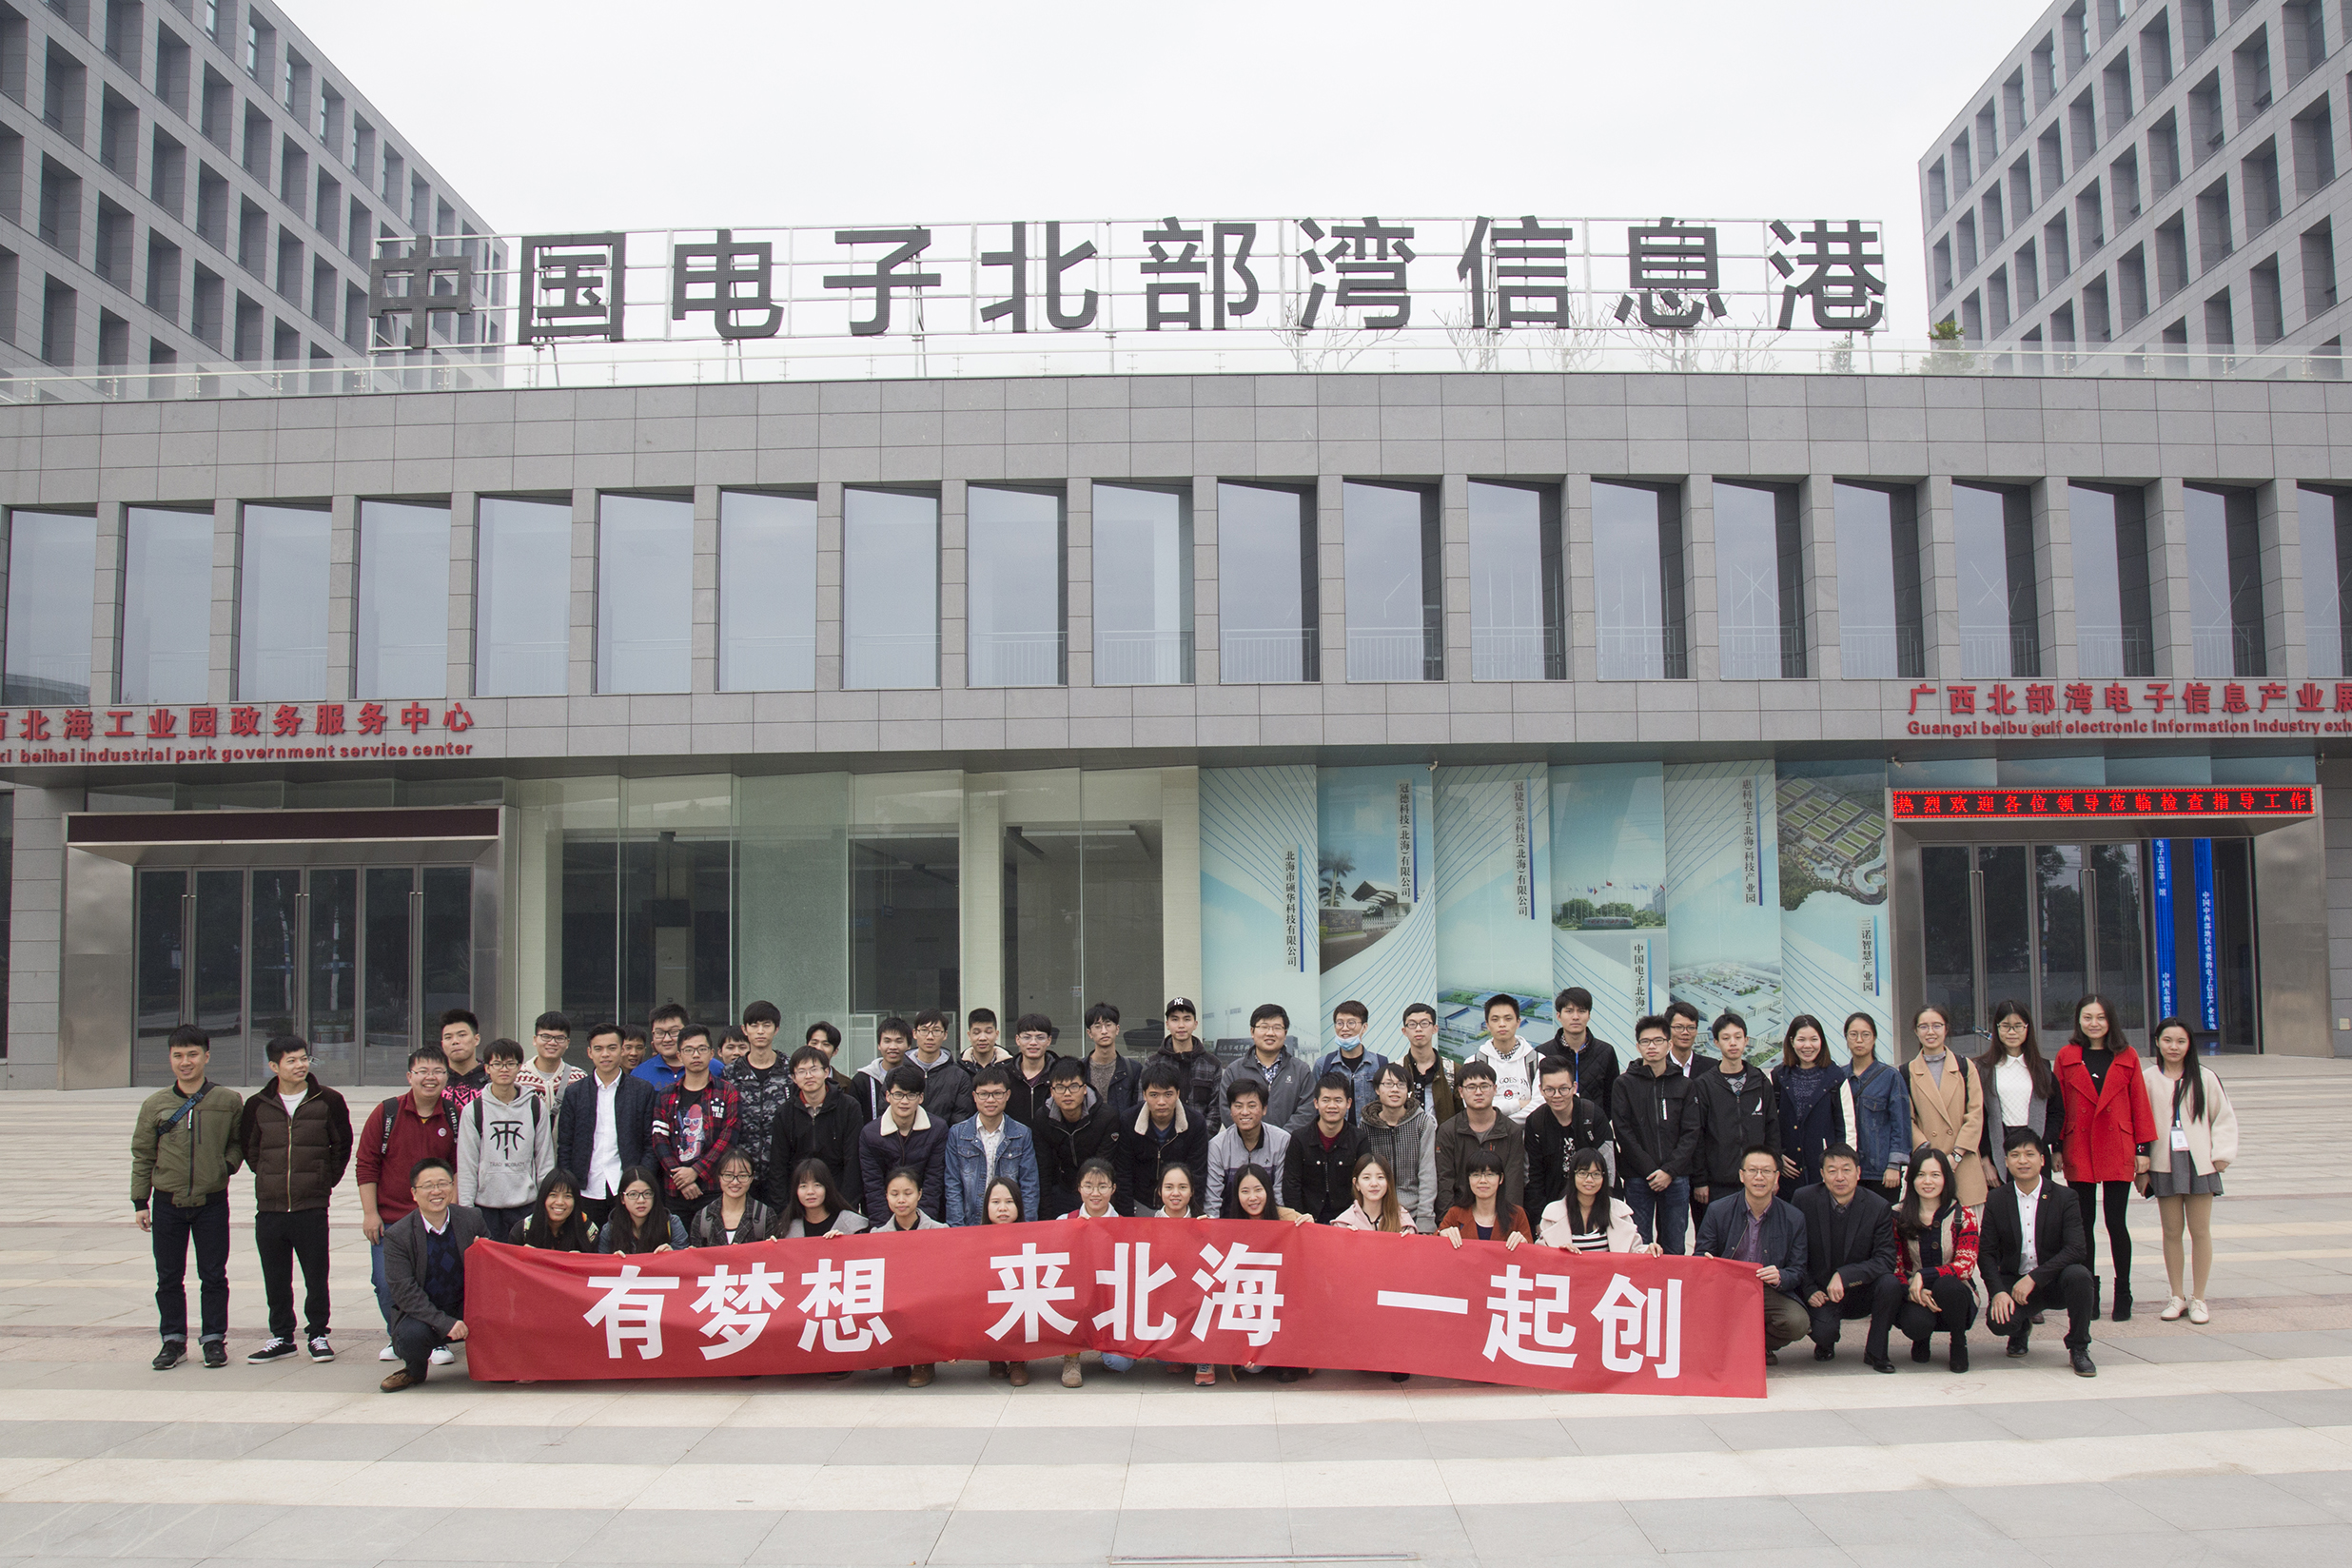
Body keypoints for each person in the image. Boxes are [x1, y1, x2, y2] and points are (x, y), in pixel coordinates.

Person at [132, 1025, 245, 1371]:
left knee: (213, 1275)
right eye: (178, 1055)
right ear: (170, 1058)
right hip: (168, 1203)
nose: (186, 1062)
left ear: (206, 1056)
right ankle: (173, 1340)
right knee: (168, 1277)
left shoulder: (227, 1101)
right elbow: (143, 1154)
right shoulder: (155, 1104)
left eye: (192, 1054)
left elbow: (238, 1142)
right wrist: (140, 1202)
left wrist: (225, 1167)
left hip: (212, 1202)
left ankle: (213, 1339)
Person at [237, 1031, 351, 1364]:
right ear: (274, 1066)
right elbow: (250, 1148)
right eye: (292, 1060)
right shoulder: (257, 1104)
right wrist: (268, 1176)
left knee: (316, 1275)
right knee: (275, 1277)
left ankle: (317, 1334)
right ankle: (282, 1337)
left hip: (311, 1205)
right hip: (270, 1207)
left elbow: (341, 1146)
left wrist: (323, 1181)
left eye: (304, 1058)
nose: (300, 1065)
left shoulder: (328, 1100)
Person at [2052, 992, 2155, 1320]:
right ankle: (2089, 1294)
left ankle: (2123, 1292)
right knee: (2083, 1224)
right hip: (2079, 1144)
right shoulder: (2067, 1056)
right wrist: (2056, 1147)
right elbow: (2057, 1104)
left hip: (2117, 1144)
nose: (2094, 1024)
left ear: (2110, 1021)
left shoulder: (2127, 1055)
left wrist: (2143, 1149)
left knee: (2115, 1222)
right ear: (2078, 1021)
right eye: (2087, 1017)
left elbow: (2140, 1102)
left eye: (2100, 1017)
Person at [355, 1046, 456, 1364]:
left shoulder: (453, 1115)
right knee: (386, 1283)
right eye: (422, 1071)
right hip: (392, 1219)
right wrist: (370, 1213)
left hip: (436, 1218)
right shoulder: (387, 1112)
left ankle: (436, 1340)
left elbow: (459, 1167)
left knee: (438, 1281)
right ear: (409, 1076)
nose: (430, 1078)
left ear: (447, 1076)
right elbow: (366, 1164)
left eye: (437, 1071)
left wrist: (453, 1213)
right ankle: (399, 1335)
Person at [1979, 1128, 2097, 1377]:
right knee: (2000, 1323)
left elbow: (2077, 1248)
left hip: (2055, 1281)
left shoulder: (2065, 1197)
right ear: (2006, 1161)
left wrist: (2034, 1278)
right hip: (2015, 1282)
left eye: (2029, 1154)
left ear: (2042, 1159)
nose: (2023, 1161)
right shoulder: (1997, 1199)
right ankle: (2020, 1329)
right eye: (2015, 1155)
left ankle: (2079, 1347)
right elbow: (1986, 1253)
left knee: (2080, 1276)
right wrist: (1997, 1292)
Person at [2143, 1015, 2238, 1323]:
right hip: (2164, 1163)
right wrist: (2140, 1166)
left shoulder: (2205, 1077)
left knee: (2200, 1231)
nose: (2174, 1047)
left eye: (2181, 1041)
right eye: (2168, 1040)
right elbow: (2139, 1122)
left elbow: (2223, 1117)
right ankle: (2176, 1296)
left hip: (2199, 1162)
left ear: (2189, 1044)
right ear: (2157, 1042)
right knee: (2171, 1231)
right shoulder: (2147, 1079)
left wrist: (2221, 1155)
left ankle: (2199, 1298)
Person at [376, 1157, 490, 1392]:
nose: (437, 1191)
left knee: (501, 1318)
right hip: (424, 1313)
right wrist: (444, 1322)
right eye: (428, 1186)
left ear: (452, 1187)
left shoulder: (471, 1219)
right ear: (414, 1193)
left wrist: (484, 1252)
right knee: (411, 1337)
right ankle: (414, 1370)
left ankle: (494, 1366)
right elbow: (404, 1291)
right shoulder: (398, 1235)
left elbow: (493, 1268)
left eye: (443, 1184)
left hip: (466, 1306)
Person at [1867, 1146, 1983, 1373]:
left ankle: (1958, 1343)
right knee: (1916, 1324)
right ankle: (1921, 1339)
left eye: (1935, 1175)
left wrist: (1924, 1276)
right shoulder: (1897, 1215)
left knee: (1947, 1286)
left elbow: (1966, 1265)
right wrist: (1913, 1288)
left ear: (1946, 1179)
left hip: (1955, 1294)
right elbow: (1894, 1264)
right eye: (1921, 1175)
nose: (1927, 1181)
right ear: (1911, 1179)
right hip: (1912, 1292)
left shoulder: (1963, 1215)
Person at [1694, 1146, 1813, 1363]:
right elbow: (1700, 1256)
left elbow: (1798, 1269)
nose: (1759, 1177)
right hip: (1725, 1286)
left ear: (1776, 1177)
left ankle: (1757, 1347)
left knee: (1797, 1322)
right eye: (1753, 1171)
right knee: (1692, 1313)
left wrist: (1781, 1276)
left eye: (1766, 1171)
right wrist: (1708, 1264)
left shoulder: (1794, 1218)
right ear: (1742, 1175)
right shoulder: (1718, 1210)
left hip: (1766, 1289)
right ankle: (1730, 1346)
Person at [1792, 1142, 1896, 1362]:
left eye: (1846, 1170)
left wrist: (1845, 1275)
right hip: (1821, 1291)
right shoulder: (1804, 1199)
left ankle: (1876, 1352)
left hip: (1860, 1290)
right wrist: (1809, 1289)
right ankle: (1825, 1342)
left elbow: (1886, 1260)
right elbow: (1795, 1252)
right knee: (1823, 1332)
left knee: (1889, 1284)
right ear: (1822, 1174)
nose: (1840, 1177)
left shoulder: (1878, 1206)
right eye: (1832, 1171)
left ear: (1858, 1172)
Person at [1613, 1015, 1699, 1253]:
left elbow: (1691, 1132)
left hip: (1676, 1176)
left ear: (1669, 1044)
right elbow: (1623, 1131)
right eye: (1646, 1041)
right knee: (1639, 1244)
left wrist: (1669, 1171)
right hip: (1638, 1176)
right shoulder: (1624, 1084)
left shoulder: (1684, 1084)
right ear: (1638, 1046)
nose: (1652, 1046)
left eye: (1658, 1041)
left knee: (1674, 1245)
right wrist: (1650, 1170)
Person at [556, 1023, 655, 1228]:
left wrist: (641, 1180)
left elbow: (650, 1143)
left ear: (622, 1050)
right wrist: (569, 1185)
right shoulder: (575, 1093)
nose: (605, 1054)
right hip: (586, 1187)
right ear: (589, 1052)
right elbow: (565, 1144)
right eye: (598, 1049)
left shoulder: (642, 1091)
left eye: (612, 1048)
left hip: (628, 1187)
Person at [456, 1037, 555, 1241]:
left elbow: (544, 1160)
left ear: (519, 1067)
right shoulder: (474, 1110)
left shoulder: (535, 1106)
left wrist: (546, 1204)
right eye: (497, 1064)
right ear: (487, 1068)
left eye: (510, 1064)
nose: (504, 1069)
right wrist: (467, 1212)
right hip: (485, 1208)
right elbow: (467, 1165)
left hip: (526, 1205)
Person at [1688, 1011, 1780, 1219]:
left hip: (1756, 1180)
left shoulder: (1760, 1081)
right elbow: (1697, 1135)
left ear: (1746, 1040)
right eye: (1726, 1038)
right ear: (1716, 1042)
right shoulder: (1704, 1084)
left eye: (1738, 1037)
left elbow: (1772, 1130)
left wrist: (1774, 1173)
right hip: (1717, 1183)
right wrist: (1700, 1180)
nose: (1733, 1043)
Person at [649, 1024, 739, 1226]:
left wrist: (695, 1171)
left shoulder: (727, 1092)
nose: (696, 1055)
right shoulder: (665, 1095)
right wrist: (681, 1177)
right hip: (675, 1189)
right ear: (680, 1055)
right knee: (676, 1243)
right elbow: (659, 1140)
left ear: (711, 1054)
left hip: (713, 1187)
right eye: (689, 1050)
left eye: (701, 1049)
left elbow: (728, 1138)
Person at [768, 1043, 868, 1218]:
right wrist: (785, 1211)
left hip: (839, 1199)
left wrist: (846, 1209)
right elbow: (778, 1165)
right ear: (793, 1078)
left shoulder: (849, 1107)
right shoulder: (784, 1113)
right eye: (801, 1071)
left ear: (826, 1072)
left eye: (814, 1069)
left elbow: (853, 1161)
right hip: (798, 1201)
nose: (809, 1076)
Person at [1904, 1005, 1988, 1211]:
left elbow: (1975, 1115)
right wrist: (1929, 1155)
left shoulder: (1965, 1067)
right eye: (1924, 1026)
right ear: (1916, 1031)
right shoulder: (1906, 1072)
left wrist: (1956, 1155)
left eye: (1936, 1025)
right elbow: (1907, 1120)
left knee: (1968, 1225)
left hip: (1964, 1162)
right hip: (1928, 1165)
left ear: (1946, 1029)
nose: (1930, 1032)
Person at [1980, 1001, 2063, 1207]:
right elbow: (1977, 1115)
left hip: (2035, 1144)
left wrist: (2042, 1142)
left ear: (2027, 1028)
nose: (2012, 1032)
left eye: (2018, 1026)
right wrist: (1985, 1159)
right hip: (1999, 1147)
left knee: (2038, 1211)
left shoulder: (2042, 1068)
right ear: (1996, 1028)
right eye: (2005, 1026)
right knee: (2004, 1212)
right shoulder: (1982, 1068)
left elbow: (2056, 1112)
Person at [944, 1065, 1042, 1225]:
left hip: (1010, 1224)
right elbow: (953, 1186)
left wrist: (1025, 1228)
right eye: (984, 1094)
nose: (990, 1100)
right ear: (974, 1096)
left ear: (1007, 1095)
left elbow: (1029, 1187)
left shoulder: (1022, 1134)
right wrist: (958, 1229)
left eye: (997, 1093)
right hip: (970, 1224)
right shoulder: (958, 1134)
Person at [1773, 1014, 1854, 1196]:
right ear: (1792, 1041)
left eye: (1814, 1039)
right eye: (1801, 1040)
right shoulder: (1778, 1076)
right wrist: (1776, 1157)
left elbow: (1847, 1127)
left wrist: (1841, 1168)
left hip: (1825, 1174)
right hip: (1788, 1174)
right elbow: (1769, 1124)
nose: (1808, 1046)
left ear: (1822, 1042)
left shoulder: (1836, 1077)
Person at [1434, 1058, 1527, 1219]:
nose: (1478, 1092)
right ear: (1461, 1092)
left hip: (1501, 1215)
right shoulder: (1448, 1131)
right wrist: (1448, 1222)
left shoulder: (1512, 1131)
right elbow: (1445, 1181)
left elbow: (1514, 1184)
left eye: (1484, 1086)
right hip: (1459, 1214)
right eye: (1471, 1087)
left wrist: (1510, 1222)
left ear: (1495, 1089)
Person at [856, 1063, 949, 1223]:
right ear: (888, 1096)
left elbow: (933, 1183)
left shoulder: (937, 1129)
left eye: (911, 1095)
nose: (904, 1101)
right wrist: (885, 1228)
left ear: (921, 1097)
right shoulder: (870, 1134)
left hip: (926, 1219)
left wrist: (921, 1224)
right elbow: (873, 1187)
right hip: (886, 1219)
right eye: (898, 1094)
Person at [1523, 1056, 1613, 1219]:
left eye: (1563, 1089)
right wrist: (1539, 1218)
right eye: (1550, 1090)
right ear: (1541, 1090)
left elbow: (1609, 1168)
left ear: (1574, 1087)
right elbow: (1534, 1176)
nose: (1557, 1095)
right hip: (1553, 1207)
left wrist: (1606, 1211)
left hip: (1593, 1204)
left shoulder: (1593, 1116)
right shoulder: (1535, 1122)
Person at [1117, 1060, 1209, 1215]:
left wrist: (1193, 1215)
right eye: (1154, 1095)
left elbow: (1197, 1176)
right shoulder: (1129, 1121)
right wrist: (1127, 1217)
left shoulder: (1195, 1123)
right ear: (1144, 1095)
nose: (1161, 1102)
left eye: (1168, 1094)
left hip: (1179, 1206)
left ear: (1178, 1094)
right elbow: (1123, 1173)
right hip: (1140, 1203)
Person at [1060, 1159, 1124, 1385]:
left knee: (1119, 1363)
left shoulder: (1125, 1226)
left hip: (1109, 1300)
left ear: (1113, 1188)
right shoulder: (1064, 1222)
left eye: (1102, 1186)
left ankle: (1107, 1350)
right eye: (1088, 1186)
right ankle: (1071, 1358)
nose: (1095, 1193)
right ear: (1079, 1188)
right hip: (1076, 1297)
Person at [1035, 1056, 1122, 1217]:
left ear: (1084, 1088)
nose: (1067, 1093)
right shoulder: (1042, 1118)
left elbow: (1104, 1166)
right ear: (1052, 1092)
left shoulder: (1106, 1117)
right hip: (1062, 1190)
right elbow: (1044, 1170)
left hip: (1097, 1192)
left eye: (1074, 1086)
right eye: (1060, 1088)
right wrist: (1046, 1217)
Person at [1213, 1003, 1317, 1132]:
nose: (1270, 1033)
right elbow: (1226, 1109)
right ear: (1252, 1031)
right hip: (1246, 1142)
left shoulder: (1301, 1070)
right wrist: (1254, 1138)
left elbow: (1307, 1111)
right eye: (1264, 1027)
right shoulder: (1234, 1071)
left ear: (1285, 1033)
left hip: (1290, 1143)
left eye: (1277, 1028)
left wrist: (1281, 1139)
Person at [1359, 1061, 1437, 1233]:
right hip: (1376, 1213)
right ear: (1377, 1089)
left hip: (1414, 1211)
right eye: (1388, 1084)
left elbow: (1427, 1172)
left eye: (1401, 1085)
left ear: (1408, 1090)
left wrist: (1425, 1219)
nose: (1395, 1090)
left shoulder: (1422, 1123)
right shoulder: (1366, 1126)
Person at [729, 1001, 796, 1198]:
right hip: (740, 1172)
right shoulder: (731, 1073)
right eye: (754, 1025)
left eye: (766, 1025)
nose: (760, 1031)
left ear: (776, 1029)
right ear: (745, 1030)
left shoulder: (790, 1070)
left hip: (781, 1171)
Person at [1845, 1011, 1911, 1204]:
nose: (1859, 1040)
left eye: (1865, 1035)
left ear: (1874, 1038)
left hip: (1882, 1172)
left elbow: (1901, 1124)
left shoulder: (1890, 1076)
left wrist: (1894, 1165)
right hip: (1849, 1172)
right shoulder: (1840, 1077)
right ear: (1846, 1038)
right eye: (1853, 1034)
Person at [1284, 1072, 1368, 1224]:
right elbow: (1291, 1186)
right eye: (1326, 1100)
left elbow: (1365, 1184)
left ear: (1348, 1103)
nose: (1332, 1106)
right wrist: (1300, 1218)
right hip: (1307, 1220)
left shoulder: (1359, 1139)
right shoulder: (1299, 1139)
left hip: (1350, 1220)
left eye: (1338, 1100)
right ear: (1316, 1103)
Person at [1539, 1147, 1656, 1253]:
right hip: (1567, 1271)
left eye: (1596, 1174)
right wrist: (1558, 1253)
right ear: (1572, 1176)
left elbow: (1634, 1251)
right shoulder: (1554, 1213)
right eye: (1583, 1173)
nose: (1589, 1180)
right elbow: (1540, 1254)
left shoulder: (1619, 1211)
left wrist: (1648, 1250)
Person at [1205, 1076, 1292, 1214]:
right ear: (1230, 1110)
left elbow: (1279, 1195)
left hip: (1269, 1220)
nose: (1245, 1112)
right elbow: (1212, 1199)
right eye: (1238, 1106)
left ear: (1264, 1109)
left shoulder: (1281, 1141)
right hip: (1229, 1221)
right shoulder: (1218, 1146)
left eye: (1252, 1106)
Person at [980, 1174, 1034, 1386]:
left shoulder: (1031, 1238)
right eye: (996, 1202)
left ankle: (1018, 1361)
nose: (1002, 1208)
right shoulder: (975, 1240)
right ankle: (994, 1357)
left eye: (1009, 1202)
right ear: (986, 1207)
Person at [1543, 986, 1620, 1107]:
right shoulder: (1543, 1052)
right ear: (1558, 1016)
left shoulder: (1606, 1052)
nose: (1575, 1017)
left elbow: (1613, 1097)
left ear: (1589, 1015)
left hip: (1595, 1119)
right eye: (1569, 1011)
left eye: (1582, 1011)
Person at [1439, 1147, 1531, 1246]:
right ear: (1468, 1179)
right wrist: (1441, 1235)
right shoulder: (1455, 1214)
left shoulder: (1517, 1214)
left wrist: (1524, 1244)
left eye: (1490, 1174)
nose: (1483, 1180)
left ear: (1501, 1178)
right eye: (1476, 1175)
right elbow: (1434, 1247)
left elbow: (1531, 1252)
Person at [1474, 994, 1545, 1123]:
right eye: (1495, 1019)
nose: (1502, 1024)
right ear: (1487, 1024)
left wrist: (1501, 1124)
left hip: (1527, 1134)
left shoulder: (1538, 1061)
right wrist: (1519, 1104)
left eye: (1508, 1019)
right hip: (1487, 1135)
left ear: (1518, 1022)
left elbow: (1540, 1106)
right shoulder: (1474, 1063)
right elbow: (1474, 1106)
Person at [1154, 997, 1223, 1122]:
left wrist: (1201, 1134)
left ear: (1195, 1024)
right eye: (1175, 1019)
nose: (1181, 1025)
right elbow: (1146, 1104)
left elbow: (1216, 1110)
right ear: (1167, 1024)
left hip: (1201, 1133)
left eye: (1187, 1019)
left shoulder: (1212, 1064)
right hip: (1164, 1133)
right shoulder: (1153, 1063)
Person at [689, 1149, 776, 1246]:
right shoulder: (703, 1217)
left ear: (752, 1177)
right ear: (719, 1176)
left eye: (742, 1176)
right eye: (728, 1175)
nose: (735, 1182)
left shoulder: (765, 1215)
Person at [907, 1008, 976, 1126]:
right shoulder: (898, 1073)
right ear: (914, 1033)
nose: (930, 1036)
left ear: (945, 1035)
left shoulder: (959, 1076)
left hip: (944, 1136)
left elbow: (961, 1119)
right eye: (924, 1030)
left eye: (936, 1031)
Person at [1317, 999, 1388, 1111]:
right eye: (1340, 1023)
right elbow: (1314, 1105)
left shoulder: (1380, 1063)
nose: (1345, 1028)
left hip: (1369, 1123)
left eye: (1351, 1023)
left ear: (1364, 1027)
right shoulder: (1323, 1064)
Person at [1394, 1003, 1460, 1125]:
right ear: (1404, 1031)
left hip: (1444, 1136)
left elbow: (1462, 1113)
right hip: (1407, 1135)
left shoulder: (1453, 1069)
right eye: (1412, 1024)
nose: (1418, 1029)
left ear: (1435, 1028)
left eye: (1424, 1023)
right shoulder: (1395, 1070)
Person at [1079, 1001, 1143, 1122]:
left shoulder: (1133, 1069)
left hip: (1122, 1131)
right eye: (1097, 1026)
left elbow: (1137, 1110)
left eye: (1108, 1025)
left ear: (1117, 1029)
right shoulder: (1080, 1069)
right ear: (1089, 1033)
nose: (1104, 1031)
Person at [599, 1166, 687, 1252]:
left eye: (647, 1193)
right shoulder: (610, 1230)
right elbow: (602, 1260)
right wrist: (613, 1259)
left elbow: (685, 1257)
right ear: (622, 1198)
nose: (641, 1200)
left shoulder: (672, 1224)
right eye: (633, 1194)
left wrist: (673, 1253)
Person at [776, 1159, 869, 1238]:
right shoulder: (787, 1230)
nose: (810, 1192)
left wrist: (844, 1242)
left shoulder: (852, 1224)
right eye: (803, 1186)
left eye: (817, 1185)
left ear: (827, 1188)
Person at [1328, 1152, 1416, 1234]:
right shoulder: (1344, 1224)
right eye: (1366, 1178)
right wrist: (1346, 1239)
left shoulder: (1403, 1220)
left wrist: (1408, 1241)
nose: (1374, 1184)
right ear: (1356, 1184)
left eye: (1380, 1177)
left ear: (1388, 1182)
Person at [852, 1017, 917, 1122]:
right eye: (887, 1041)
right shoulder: (862, 1080)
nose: (893, 1047)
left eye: (899, 1041)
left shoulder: (917, 1077)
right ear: (879, 1045)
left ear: (909, 1045)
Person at [513, 1169, 598, 1250]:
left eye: (567, 1196)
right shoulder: (523, 1230)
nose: (560, 1202)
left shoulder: (588, 1231)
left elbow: (595, 1259)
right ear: (543, 1198)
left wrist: (579, 1258)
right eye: (553, 1195)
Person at [1006, 1013, 1064, 1127]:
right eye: (1027, 1037)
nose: (1033, 1043)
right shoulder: (1004, 1075)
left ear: (1049, 1040)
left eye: (1040, 1037)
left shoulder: (1061, 1074)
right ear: (1017, 1040)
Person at [517, 1012, 585, 1105]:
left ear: (567, 1043)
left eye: (560, 1038)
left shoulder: (579, 1078)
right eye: (546, 1037)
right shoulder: (517, 1076)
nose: (552, 1042)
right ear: (535, 1040)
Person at [631, 1004, 700, 1092]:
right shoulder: (639, 1073)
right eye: (659, 1033)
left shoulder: (711, 1067)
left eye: (674, 1031)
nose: (667, 1039)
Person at [1220, 1164, 1310, 1225]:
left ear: (1268, 1191)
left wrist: (1310, 1226)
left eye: (1258, 1190)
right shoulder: (1230, 1226)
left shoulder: (1289, 1217)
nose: (1252, 1198)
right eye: (1245, 1191)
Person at [438, 1009, 490, 1110]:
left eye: (462, 1035)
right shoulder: (436, 1078)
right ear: (442, 1044)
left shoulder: (492, 1075)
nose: (455, 1041)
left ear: (476, 1039)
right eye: (448, 1037)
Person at [1664, 1001, 1705, 1075]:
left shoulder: (1711, 1067)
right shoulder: (1659, 1068)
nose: (1685, 1032)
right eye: (1679, 1027)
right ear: (1667, 1030)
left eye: (1691, 1027)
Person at [960, 1007, 1008, 1071]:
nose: (982, 1038)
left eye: (988, 1032)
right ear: (969, 1035)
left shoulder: (1011, 1068)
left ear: (997, 1034)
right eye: (976, 1032)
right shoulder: (959, 1070)